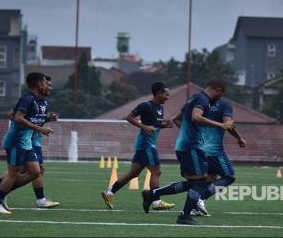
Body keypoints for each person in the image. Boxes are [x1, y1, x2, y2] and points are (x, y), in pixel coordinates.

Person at [142, 80, 235, 225]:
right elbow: (196, 117)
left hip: (185, 146)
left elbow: (176, 119)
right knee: (200, 182)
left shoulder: (194, 98)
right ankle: (184, 216)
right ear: (218, 89)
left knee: (194, 182)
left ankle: (153, 193)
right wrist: (221, 125)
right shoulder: (203, 99)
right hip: (191, 147)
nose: (220, 98)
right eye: (221, 94)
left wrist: (192, 134)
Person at [0, 76, 59, 209]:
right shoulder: (28, 99)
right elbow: (16, 117)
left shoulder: (43, 103)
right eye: (46, 84)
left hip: (29, 140)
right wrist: (39, 128)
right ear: (39, 84)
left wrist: (47, 120)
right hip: (21, 140)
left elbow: (35, 119)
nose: (49, 87)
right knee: (19, 171)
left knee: (34, 170)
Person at [101, 82, 175, 211]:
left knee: (133, 174)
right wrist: (144, 126)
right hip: (147, 145)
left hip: (144, 145)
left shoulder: (160, 108)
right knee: (156, 172)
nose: (167, 97)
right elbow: (129, 117)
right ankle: (156, 202)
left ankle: (109, 193)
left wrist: (164, 125)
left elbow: (153, 124)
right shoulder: (146, 105)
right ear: (158, 93)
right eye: (166, 94)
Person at [192, 95, 246, 216]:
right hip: (214, 150)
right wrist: (239, 137)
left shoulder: (199, 103)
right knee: (229, 176)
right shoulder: (224, 105)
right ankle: (200, 199)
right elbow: (228, 124)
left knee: (209, 178)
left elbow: (180, 119)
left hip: (198, 148)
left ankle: (195, 207)